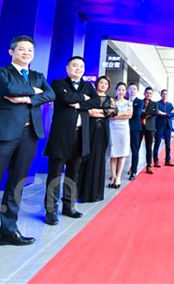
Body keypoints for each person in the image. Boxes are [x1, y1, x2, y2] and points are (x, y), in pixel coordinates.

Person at [0, 36, 55, 266]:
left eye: (30, 50)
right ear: (12, 52)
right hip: (2, 134)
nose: (26, 53)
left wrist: (26, 97)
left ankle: (8, 231)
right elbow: (9, 88)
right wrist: (34, 92)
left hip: (29, 136)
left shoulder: (38, 76)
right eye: (21, 49)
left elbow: (50, 94)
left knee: (16, 185)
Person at [44, 56, 96, 225]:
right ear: (67, 68)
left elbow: (96, 101)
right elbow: (66, 99)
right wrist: (84, 98)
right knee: (55, 174)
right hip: (61, 136)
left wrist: (79, 103)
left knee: (73, 174)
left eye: (81, 66)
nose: (78, 68)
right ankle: (50, 210)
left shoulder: (88, 86)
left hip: (80, 135)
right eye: (75, 65)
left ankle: (69, 206)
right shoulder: (58, 83)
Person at [78, 76, 117, 202]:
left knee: (99, 158)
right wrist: (102, 112)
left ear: (108, 86)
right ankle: (81, 193)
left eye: (106, 83)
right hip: (88, 129)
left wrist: (97, 112)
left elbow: (113, 112)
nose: (103, 85)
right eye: (101, 82)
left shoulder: (110, 99)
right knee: (85, 157)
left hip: (102, 131)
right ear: (96, 84)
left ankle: (95, 193)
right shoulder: (90, 96)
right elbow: (85, 110)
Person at [108, 82, 132, 188]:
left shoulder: (129, 103)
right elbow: (110, 115)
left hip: (124, 129)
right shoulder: (112, 101)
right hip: (113, 128)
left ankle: (118, 177)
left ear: (125, 91)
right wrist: (123, 114)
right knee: (113, 153)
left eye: (123, 90)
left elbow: (129, 115)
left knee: (122, 153)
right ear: (116, 90)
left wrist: (117, 114)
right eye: (119, 89)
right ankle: (113, 176)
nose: (121, 92)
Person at [137, 87, 158, 174]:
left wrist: (144, 112)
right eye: (147, 93)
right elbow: (138, 113)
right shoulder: (140, 102)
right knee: (136, 147)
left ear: (152, 94)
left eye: (150, 93)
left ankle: (149, 166)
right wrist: (147, 113)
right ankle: (133, 166)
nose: (148, 94)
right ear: (144, 93)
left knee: (149, 148)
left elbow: (155, 113)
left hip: (150, 128)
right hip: (139, 127)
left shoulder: (154, 104)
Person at [154, 89, 174, 167]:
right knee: (157, 143)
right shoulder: (157, 104)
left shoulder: (170, 104)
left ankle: (168, 160)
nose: (164, 95)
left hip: (168, 126)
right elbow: (157, 112)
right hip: (160, 126)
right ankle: (156, 161)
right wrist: (167, 114)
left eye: (166, 94)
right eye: (163, 94)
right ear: (161, 95)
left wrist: (166, 114)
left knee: (168, 144)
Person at [127, 83, 142, 180]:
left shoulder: (140, 102)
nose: (132, 90)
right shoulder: (124, 100)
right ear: (128, 90)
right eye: (131, 89)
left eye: (134, 89)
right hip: (123, 127)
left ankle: (134, 171)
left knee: (134, 150)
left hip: (135, 128)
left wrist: (125, 114)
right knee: (121, 149)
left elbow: (137, 114)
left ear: (137, 91)